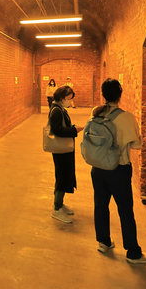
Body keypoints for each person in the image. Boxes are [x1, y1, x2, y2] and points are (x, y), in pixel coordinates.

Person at [90, 78, 146, 264]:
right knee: (125, 210)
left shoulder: (96, 114)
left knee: (101, 205)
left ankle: (104, 242)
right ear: (120, 95)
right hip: (118, 169)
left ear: (103, 94)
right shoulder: (126, 118)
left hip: (98, 168)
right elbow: (137, 145)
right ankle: (133, 252)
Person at [48, 85, 83, 223]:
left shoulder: (60, 108)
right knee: (61, 177)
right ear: (62, 98)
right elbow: (57, 130)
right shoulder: (56, 110)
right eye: (68, 99)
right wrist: (74, 131)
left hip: (64, 150)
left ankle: (60, 204)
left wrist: (72, 127)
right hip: (60, 150)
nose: (70, 101)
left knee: (64, 175)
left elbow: (63, 127)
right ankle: (56, 209)